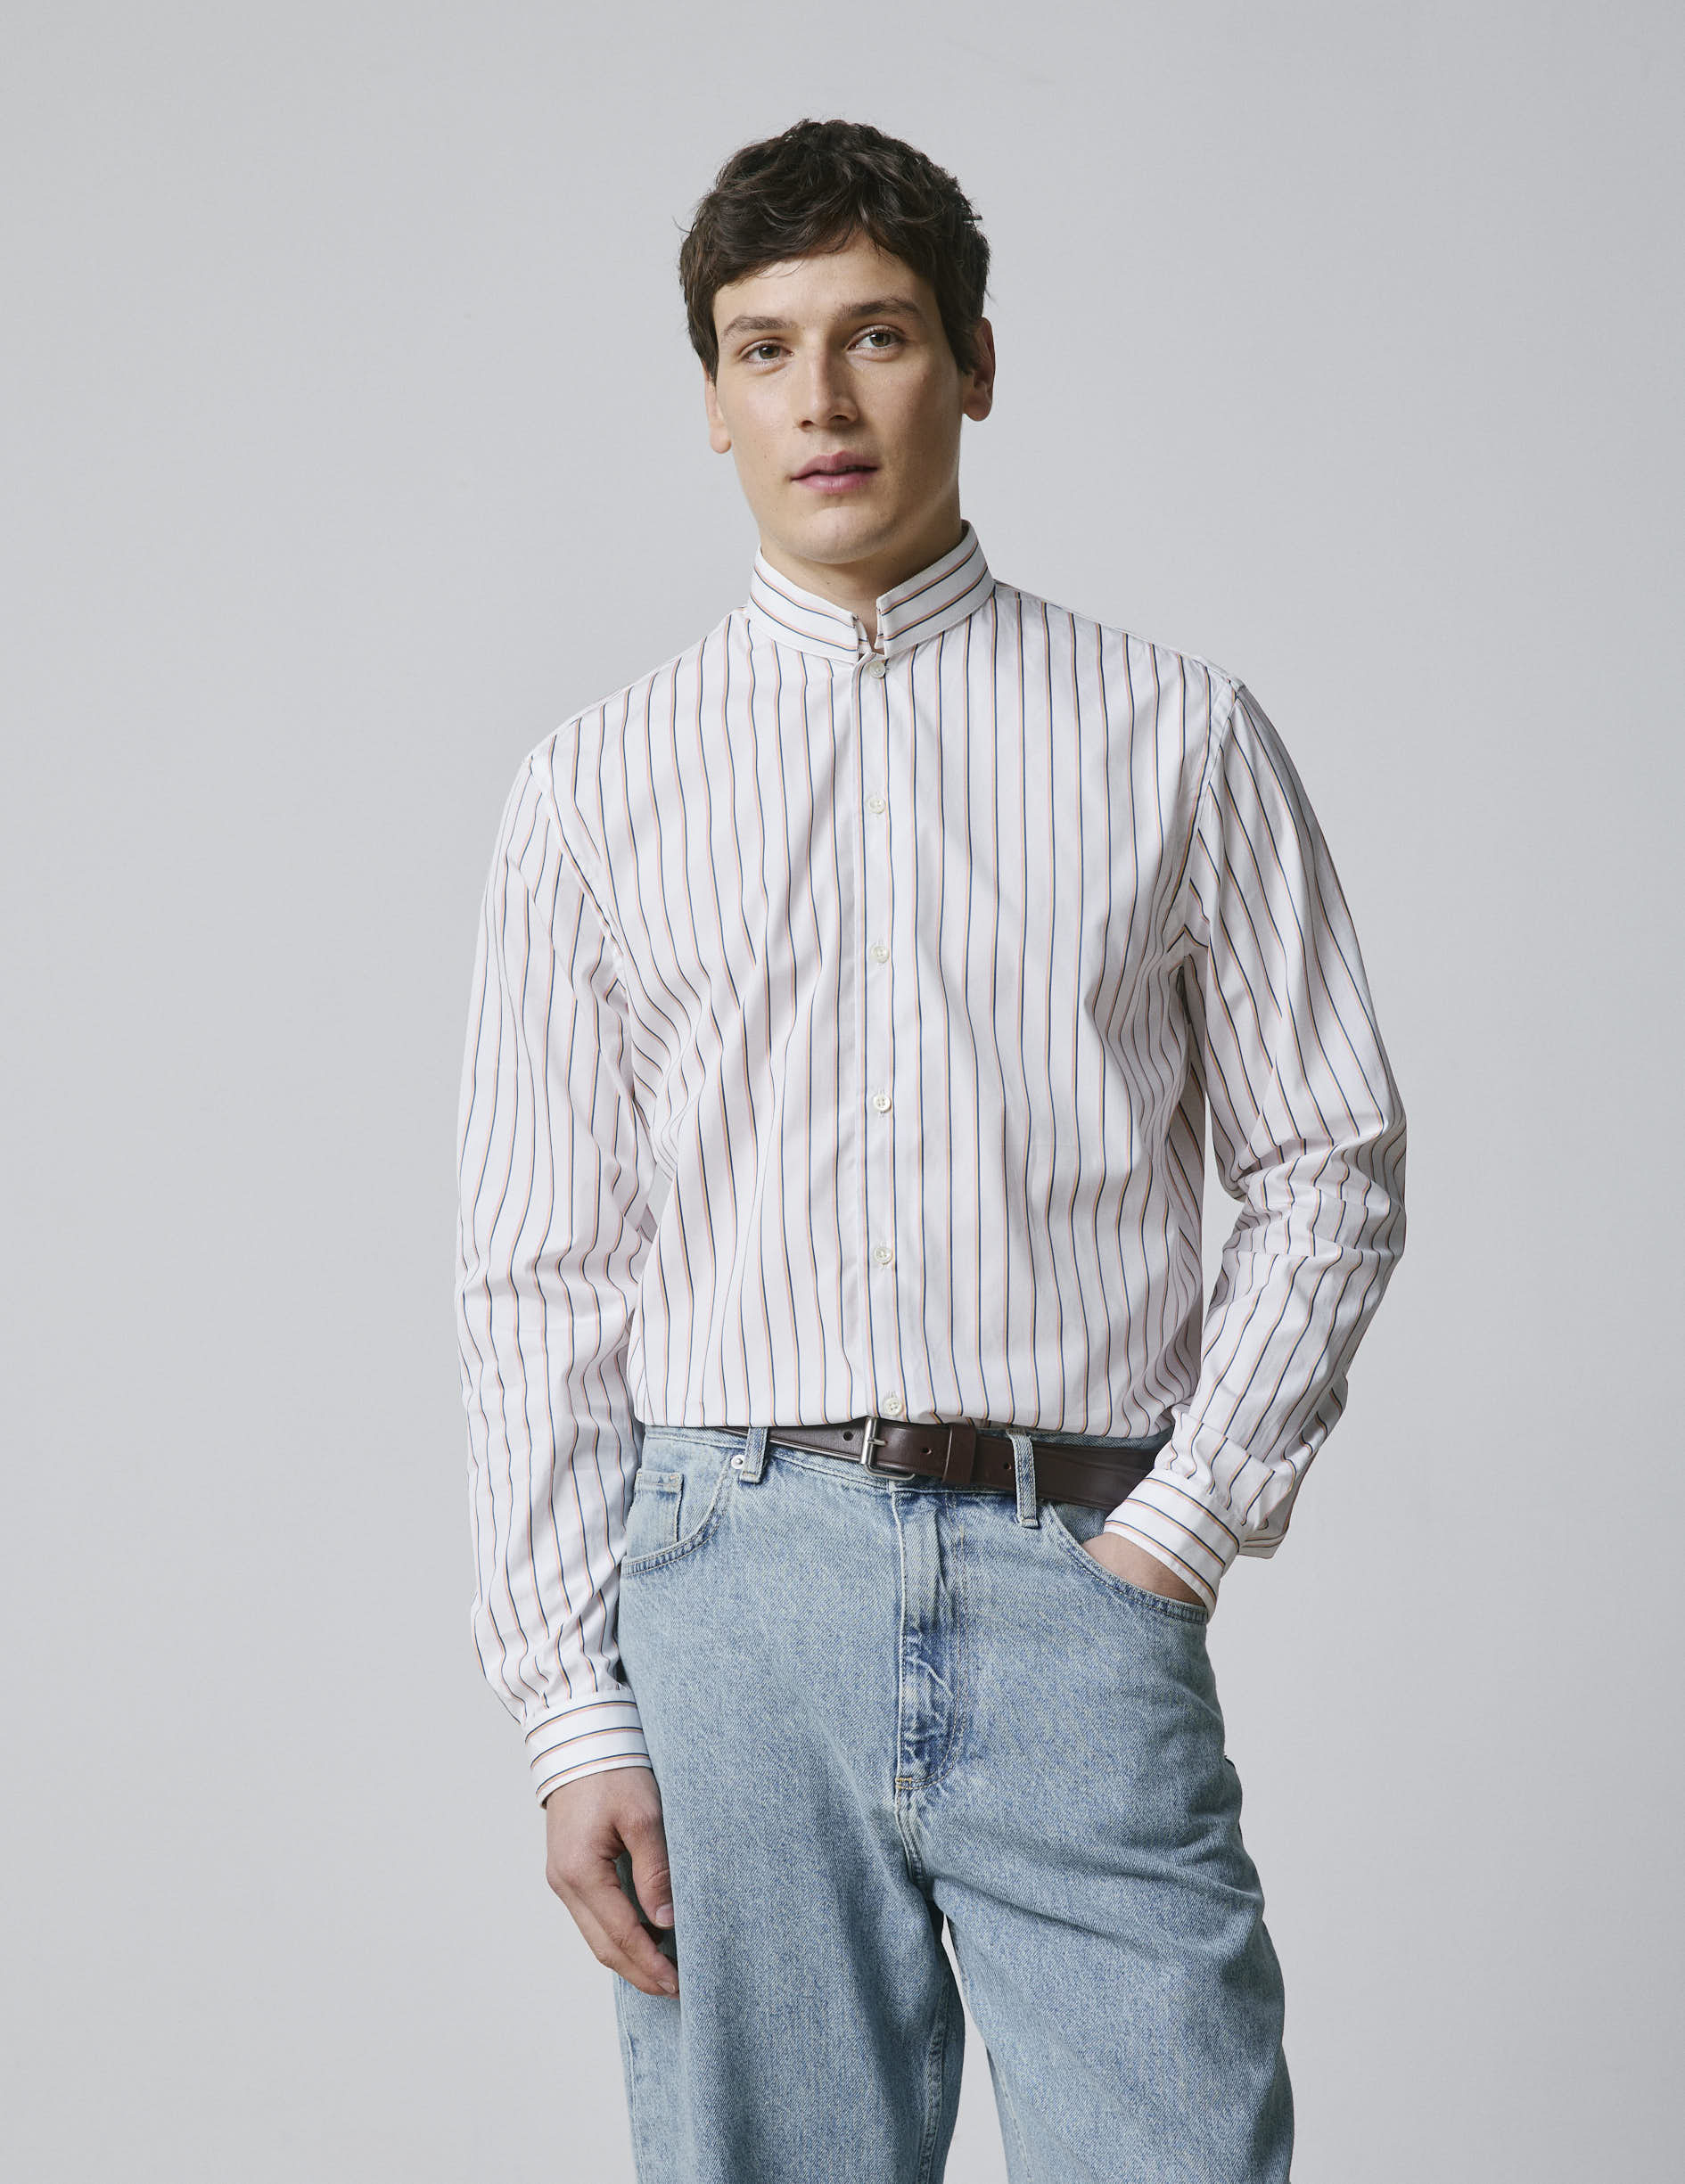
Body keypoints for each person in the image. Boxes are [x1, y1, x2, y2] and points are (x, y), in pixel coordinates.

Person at [455, 116, 1405, 2184]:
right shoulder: (596, 789)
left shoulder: (1177, 736)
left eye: (876, 335)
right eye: (765, 346)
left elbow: (1330, 1157)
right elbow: (544, 1269)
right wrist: (571, 1712)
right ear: (714, 399)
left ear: (974, 363)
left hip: (1083, 1567)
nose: (821, 395)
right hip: (731, 1592)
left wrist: (1183, 1525)